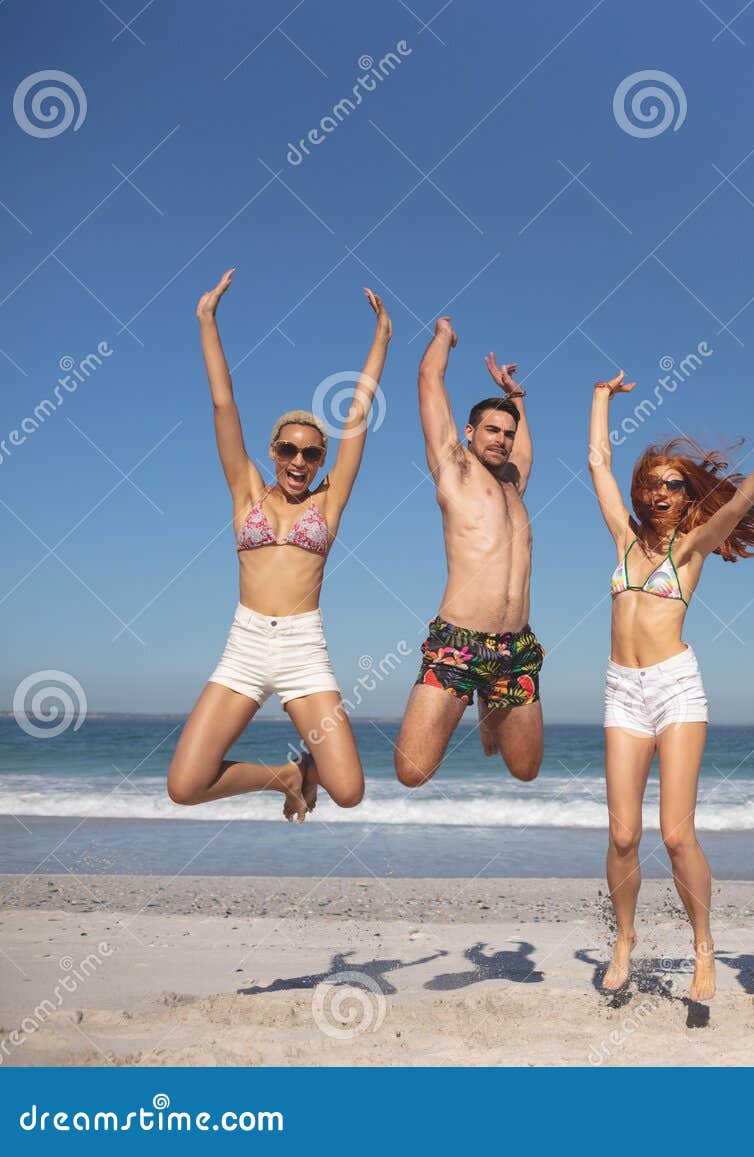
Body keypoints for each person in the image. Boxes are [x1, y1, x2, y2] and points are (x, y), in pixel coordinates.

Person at [588, 371, 754, 1001]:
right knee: (623, 834)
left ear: (688, 499)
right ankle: (625, 939)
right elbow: (597, 462)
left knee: (676, 833)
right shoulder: (623, 539)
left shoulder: (690, 550)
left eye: (673, 485)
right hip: (622, 689)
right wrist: (601, 399)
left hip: (675, 688)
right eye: (653, 484)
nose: (660, 493)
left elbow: (738, 506)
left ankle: (704, 947)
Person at [167, 269, 389, 820]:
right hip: (244, 645)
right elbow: (224, 404)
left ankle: (310, 773)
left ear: (320, 461)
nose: (298, 461)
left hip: (302, 649)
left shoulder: (327, 504)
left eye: (311, 454)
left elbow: (356, 419)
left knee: (349, 790)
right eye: (289, 449)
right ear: (272, 450)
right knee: (185, 785)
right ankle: (287, 775)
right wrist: (206, 320)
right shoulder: (245, 491)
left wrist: (382, 339)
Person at [393, 319, 544, 786]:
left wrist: (515, 396)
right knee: (412, 771)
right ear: (469, 432)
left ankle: (488, 706)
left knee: (525, 770)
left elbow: (525, 448)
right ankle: (479, 696)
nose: (501, 438)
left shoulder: (514, 485)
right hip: (459, 644)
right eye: (491, 430)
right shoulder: (454, 469)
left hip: (515, 648)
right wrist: (444, 337)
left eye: (507, 433)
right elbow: (428, 381)